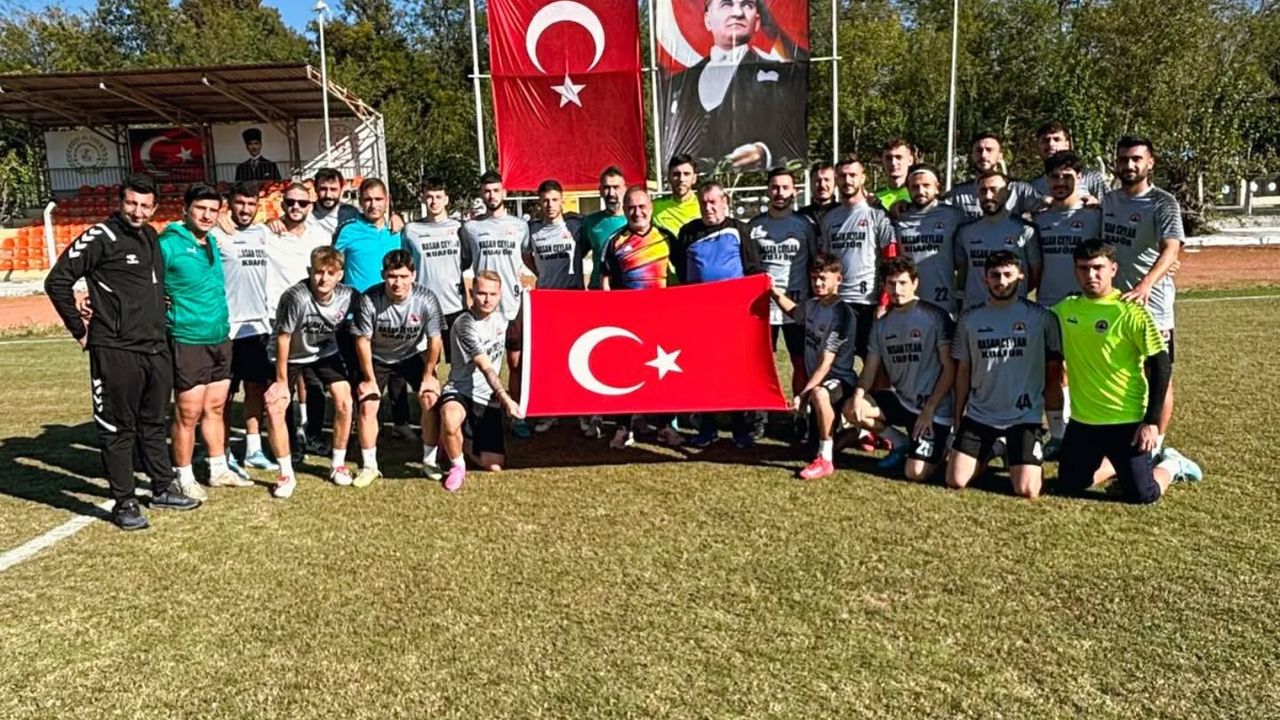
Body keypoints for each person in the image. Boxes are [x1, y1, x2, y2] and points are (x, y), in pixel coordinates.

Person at [44, 174, 202, 530]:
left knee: (153, 423)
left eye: (145, 205)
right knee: (117, 428)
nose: (138, 211)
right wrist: (80, 330)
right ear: (121, 202)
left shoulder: (150, 236)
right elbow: (57, 281)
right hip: (116, 349)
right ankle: (125, 502)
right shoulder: (101, 236)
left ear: (154, 208)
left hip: (155, 347)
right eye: (132, 203)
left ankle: (162, 487)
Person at [1051, 239, 1202, 503]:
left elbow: (1161, 365)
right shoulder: (1064, 310)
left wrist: (1151, 422)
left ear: (1113, 269)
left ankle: (1173, 464)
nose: (1091, 275)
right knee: (1068, 486)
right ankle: (1117, 466)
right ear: (1075, 270)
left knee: (1143, 495)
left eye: (1098, 268)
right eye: (1084, 268)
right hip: (1083, 423)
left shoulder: (1131, 311)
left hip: (1127, 422)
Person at [947, 251, 1062, 499]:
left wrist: (1057, 429)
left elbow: (1054, 376)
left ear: (1021, 276)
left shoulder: (1043, 318)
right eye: (995, 275)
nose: (1001, 281)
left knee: (1027, 489)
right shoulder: (969, 319)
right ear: (985, 278)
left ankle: (1016, 450)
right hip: (980, 414)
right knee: (955, 480)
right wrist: (957, 419)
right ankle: (997, 447)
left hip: (1024, 416)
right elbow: (963, 373)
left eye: (1008, 274)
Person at [158, 183, 239, 500]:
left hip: (219, 336)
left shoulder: (212, 242)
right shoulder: (168, 244)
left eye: (212, 210)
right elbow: (145, 282)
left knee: (215, 407)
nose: (207, 215)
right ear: (186, 209)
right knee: (188, 413)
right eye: (200, 208)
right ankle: (184, 475)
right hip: (188, 339)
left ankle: (218, 469)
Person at [1102, 135, 1183, 449]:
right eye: (1123, 159)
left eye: (1136, 159)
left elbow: (1171, 248)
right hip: (1116, 305)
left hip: (1152, 306)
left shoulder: (1163, 202)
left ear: (1150, 162)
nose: (1129, 165)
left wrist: (1145, 284)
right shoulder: (1108, 201)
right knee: (1121, 369)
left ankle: (1157, 446)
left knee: (1158, 375)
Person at [659, 0, 806, 171]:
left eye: (747, 5)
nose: (738, 13)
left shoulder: (783, 78)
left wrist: (764, 153)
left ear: (757, 22)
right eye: (726, 4)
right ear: (708, 20)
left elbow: (794, 135)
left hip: (755, 182)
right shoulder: (677, 85)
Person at [845, 256, 955, 481]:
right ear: (884, 286)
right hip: (902, 402)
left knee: (915, 473)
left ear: (915, 283)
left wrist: (929, 409)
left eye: (903, 283)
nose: (897, 290)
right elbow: (869, 371)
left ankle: (946, 444)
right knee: (851, 408)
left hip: (934, 410)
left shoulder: (936, 316)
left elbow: (950, 368)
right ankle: (900, 442)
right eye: (891, 284)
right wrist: (857, 396)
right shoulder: (881, 325)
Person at [673, 180, 764, 448]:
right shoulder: (688, 233)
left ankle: (740, 428)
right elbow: (682, 271)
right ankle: (707, 427)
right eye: (703, 203)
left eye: (713, 202)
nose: (708, 207)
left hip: (734, 318)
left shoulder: (739, 230)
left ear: (725, 202)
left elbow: (753, 270)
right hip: (700, 318)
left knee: (734, 373)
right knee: (704, 372)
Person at [263, 247, 356, 498]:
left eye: (330, 273)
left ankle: (338, 464)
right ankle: (285, 474)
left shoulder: (348, 295)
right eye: (318, 272)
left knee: (345, 401)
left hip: (323, 352)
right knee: (275, 406)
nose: (324, 278)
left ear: (340, 275)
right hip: (288, 354)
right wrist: (281, 381)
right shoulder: (295, 296)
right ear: (309, 271)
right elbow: (283, 338)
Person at [600, 186, 683, 449]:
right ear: (624, 210)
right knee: (625, 374)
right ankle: (623, 428)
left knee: (663, 373)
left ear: (651, 207)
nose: (637, 212)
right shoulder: (615, 241)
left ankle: (665, 427)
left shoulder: (667, 238)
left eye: (642, 206)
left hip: (662, 320)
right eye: (631, 208)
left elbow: (684, 275)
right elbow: (605, 280)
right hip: (627, 321)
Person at [352, 250, 445, 486]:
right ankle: (369, 466)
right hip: (378, 356)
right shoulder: (369, 299)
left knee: (430, 398)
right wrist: (368, 378)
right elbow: (362, 341)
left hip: (412, 354)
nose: (398, 283)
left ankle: (430, 460)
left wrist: (428, 375)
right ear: (383, 275)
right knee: (368, 403)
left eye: (403, 276)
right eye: (392, 276)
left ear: (413, 275)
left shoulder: (426, 298)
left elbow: (435, 340)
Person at [1032, 151, 1103, 456]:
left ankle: (1096, 431)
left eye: (1067, 176)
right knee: (1052, 372)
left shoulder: (1095, 216)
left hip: (1087, 308)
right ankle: (1058, 436)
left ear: (1080, 178)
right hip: (1049, 307)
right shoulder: (1039, 219)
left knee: (1090, 370)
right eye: (1054, 177)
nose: (1060, 182)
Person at [266, 182, 342, 458]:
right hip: (279, 319)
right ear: (282, 203)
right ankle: (289, 443)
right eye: (290, 202)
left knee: (315, 385)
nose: (296, 207)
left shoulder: (320, 234)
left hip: (314, 320)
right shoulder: (267, 233)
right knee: (282, 385)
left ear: (310, 205)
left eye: (302, 202)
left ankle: (313, 436)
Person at [767, 252, 859, 481]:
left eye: (823, 278)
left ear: (838, 279)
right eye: (814, 278)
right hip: (820, 381)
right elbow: (794, 312)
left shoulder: (842, 314)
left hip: (840, 381)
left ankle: (826, 461)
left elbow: (826, 363)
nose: (818, 283)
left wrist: (804, 394)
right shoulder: (812, 305)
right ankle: (855, 433)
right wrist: (774, 293)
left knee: (819, 393)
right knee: (810, 446)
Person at [461, 171, 532, 438]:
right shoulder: (470, 228)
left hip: (512, 305)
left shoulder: (520, 226)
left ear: (505, 192)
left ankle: (515, 414)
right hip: (484, 307)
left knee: (515, 362)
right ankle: (478, 415)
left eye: (496, 190)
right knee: (482, 364)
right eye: (487, 191)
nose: (491, 195)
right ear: (482, 194)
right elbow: (464, 261)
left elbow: (526, 256)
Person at [438, 270, 523, 491]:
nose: (487, 299)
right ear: (471, 292)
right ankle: (457, 466)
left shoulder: (503, 319)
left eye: (493, 294)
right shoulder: (464, 324)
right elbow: (485, 367)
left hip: (486, 398)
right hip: (461, 390)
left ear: (500, 294)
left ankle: (461, 443)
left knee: (494, 465)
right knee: (450, 417)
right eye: (482, 293)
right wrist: (506, 399)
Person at [215, 181, 278, 474]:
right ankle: (223, 450)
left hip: (257, 327)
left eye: (251, 204)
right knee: (224, 395)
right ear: (229, 203)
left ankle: (254, 449)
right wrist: (216, 218)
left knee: (255, 390)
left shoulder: (264, 232)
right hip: (226, 328)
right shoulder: (217, 233)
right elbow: (183, 227)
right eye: (240, 203)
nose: (245, 209)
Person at [749, 168, 816, 416]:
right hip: (764, 307)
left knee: (800, 361)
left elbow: (814, 263)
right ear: (767, 191)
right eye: (775, 187)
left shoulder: (804, 225)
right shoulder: (754, 227)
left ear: (794, 192)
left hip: (797, 306)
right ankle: (763, 414)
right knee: (763, 363)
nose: (780, 193)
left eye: (785, 188)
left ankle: (800, 412)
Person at [819, 154, 896, 360]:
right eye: (842, 176)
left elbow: (891, 259)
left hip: (867, 302)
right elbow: (825, 262)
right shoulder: (829, 218)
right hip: (837, 301)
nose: (847, 180)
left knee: (874, 362)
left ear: (863, 177)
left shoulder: (877, 214)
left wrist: (884, 301)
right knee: (835, 361)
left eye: (853, 175)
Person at [523, 179, 585, 434]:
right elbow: (526, 256)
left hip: (573, 299)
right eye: (545, 200)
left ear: (562, 201)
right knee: (550, 360)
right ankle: (551, 411)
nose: (550, 205)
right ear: (539, 203)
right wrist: (543, 275)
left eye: (554, 200)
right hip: (546, 301)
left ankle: (583, 412)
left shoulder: (576, 225)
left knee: (578, 355)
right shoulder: (532, 230)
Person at [955, 171, 1042, 312]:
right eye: (983, 191)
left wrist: (1012, 291)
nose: (988, 196)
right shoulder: (965, 232)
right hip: (974, 312)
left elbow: (1035, 274)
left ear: (1006, 194)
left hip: (1014, 312)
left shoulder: (1025, 230)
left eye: (994, 190)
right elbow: (962, 271)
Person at [402, 176, 468, 354]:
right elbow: (406, 265)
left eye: (439, 197)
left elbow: (467, 261)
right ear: (423, 198)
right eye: (429, 197)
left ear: (446, 199)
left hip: (455, 305)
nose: (434, 202)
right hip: (423, 306)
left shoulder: (460, 228)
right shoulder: (411, 230)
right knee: (429, 363)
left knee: (459, 362)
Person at [890, 164, 967, 315]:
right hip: (906, 299)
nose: (920, 191)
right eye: (915, 187)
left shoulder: (953, 215)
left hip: (943, 300)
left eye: (926, 186)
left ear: (937, 188)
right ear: (907, 189)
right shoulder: (898, 216)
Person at [943, 133, 1035, 220]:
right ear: (972, 156)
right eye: (979, 150)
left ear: (1000, 156)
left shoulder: (1018, 191)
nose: (984, 155)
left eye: (989, 150)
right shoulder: (957, 195)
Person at [1026, 121, 1108, 205]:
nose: (1051, 144)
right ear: (1038, 146)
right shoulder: (1033, 187)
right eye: (1045, 140)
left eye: (1056, 139)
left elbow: (1111, 207)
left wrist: (1097, 205)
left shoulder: (1092, 178)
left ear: (1067, 144)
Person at [578, 166, 628, 292]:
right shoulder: (590, 222)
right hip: (598, 289)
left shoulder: (635, 221)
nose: (611, 193)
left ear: (624, 189)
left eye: (616, 187)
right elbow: (577, 255)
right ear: (600, 191)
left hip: (626, 289)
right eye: (606, 188)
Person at [652, 154, 701, 242]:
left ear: (694, 178)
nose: (681, 179)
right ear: (669, 178)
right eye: (676, 174)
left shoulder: (704, 205)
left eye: (686, 174)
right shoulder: (654, 206)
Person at [306, 167, 357, 236]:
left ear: (341, 189)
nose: (328, 195)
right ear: (315, 188)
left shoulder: (351, 214)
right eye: (323, 189)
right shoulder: (306, 213)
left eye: (333, 189)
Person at [875, 137, 916, 210]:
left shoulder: (918, 193)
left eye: (899, 157)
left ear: (910, 160)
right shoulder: (876, 196)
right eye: (888, 158)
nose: (893, 163)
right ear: (882, 161)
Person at [798, 161, 837, 227]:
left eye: (827, 180)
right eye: (818, 181)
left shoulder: (844, 213)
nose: (822, 185)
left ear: (835, 183)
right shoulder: (801, 216)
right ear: (811, 183)